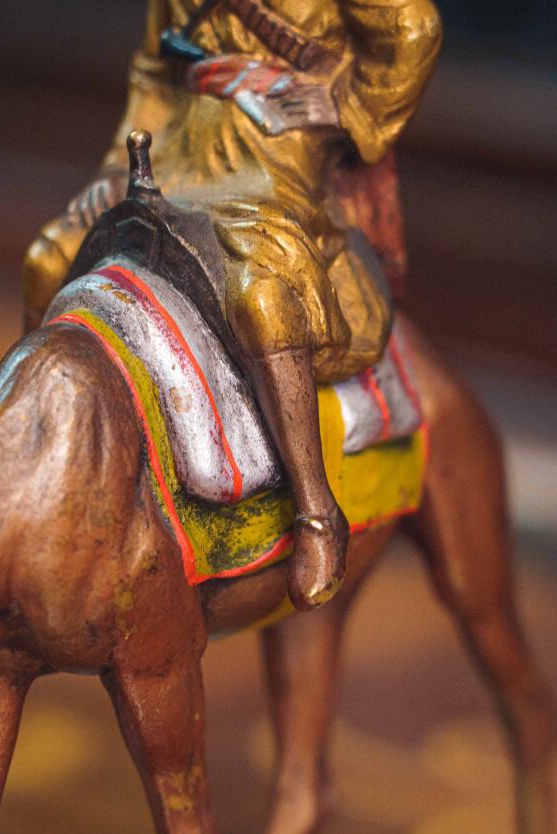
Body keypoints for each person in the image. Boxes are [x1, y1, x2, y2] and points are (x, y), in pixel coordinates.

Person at [23, 0, 442, 610]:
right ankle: (34, 474)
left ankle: (317, 513)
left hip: (274, 163)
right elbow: (154, 73)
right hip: (176, 150)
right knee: (47, 260)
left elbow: (411, 27)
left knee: (261, 296)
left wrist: (342, 104)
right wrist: (115, 167)